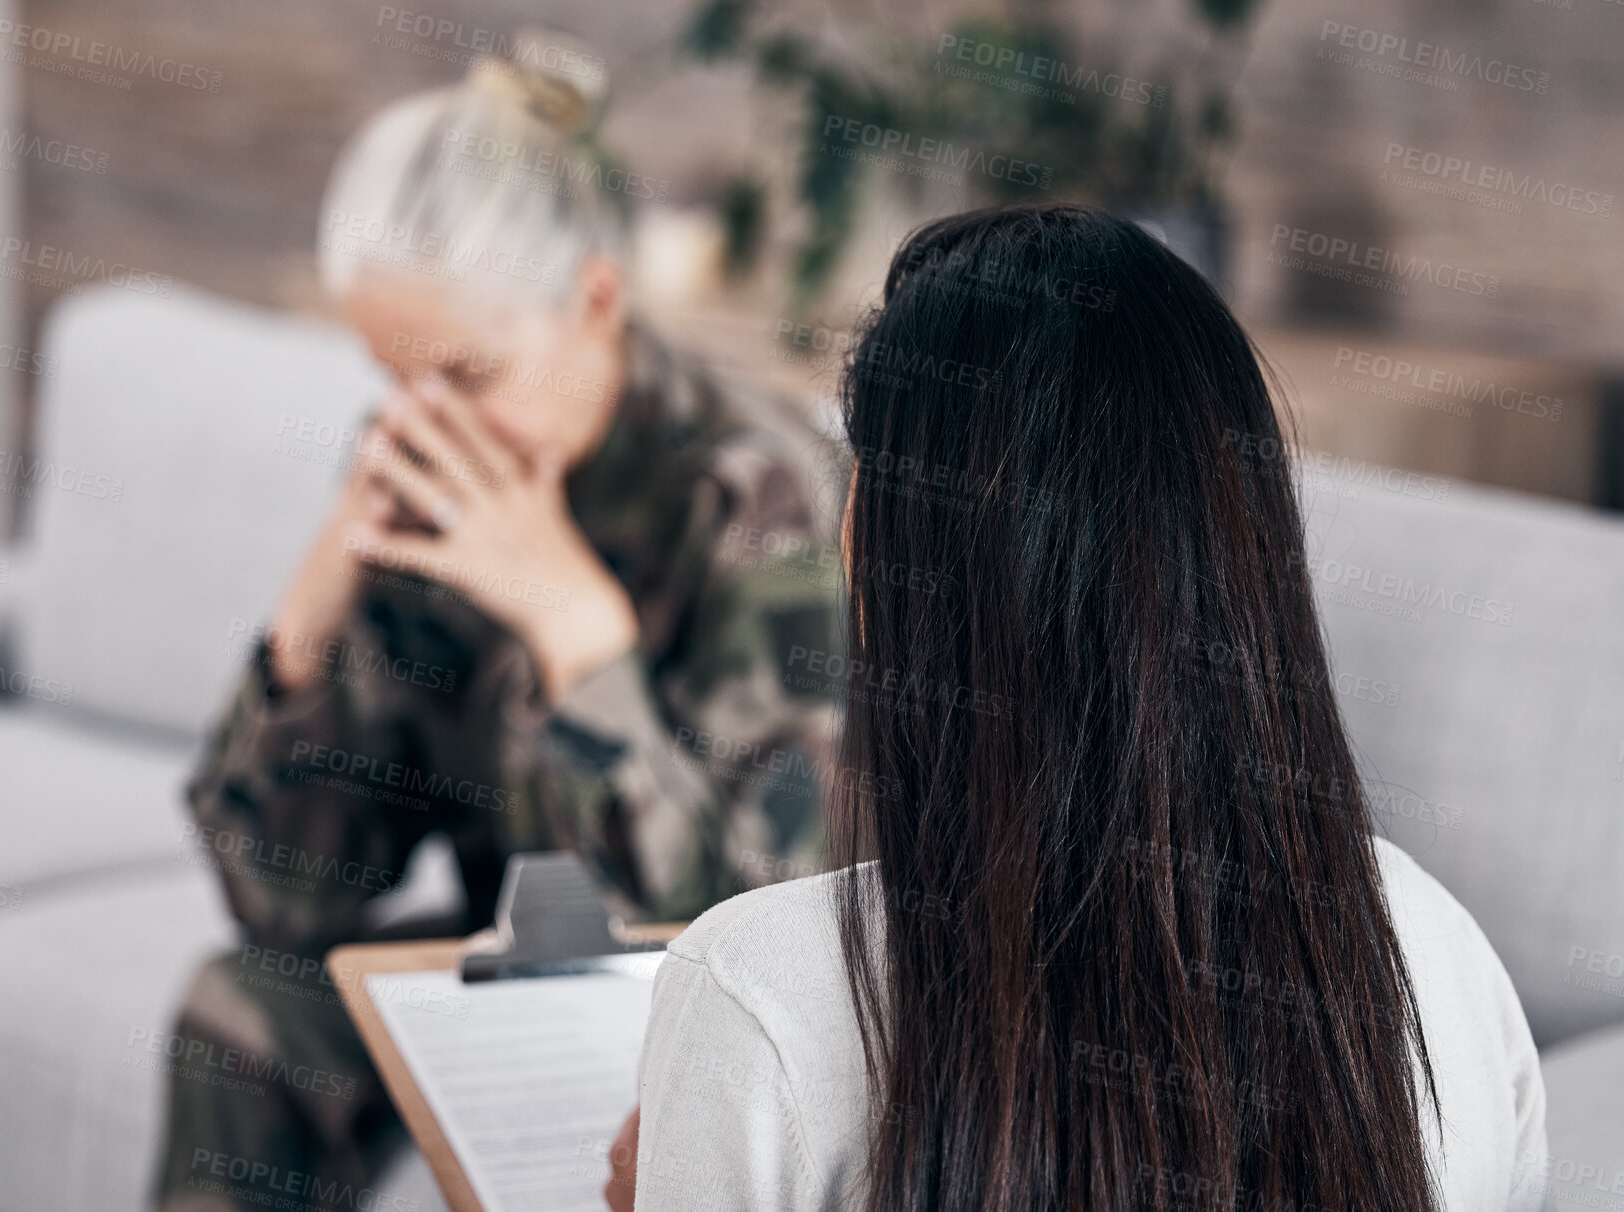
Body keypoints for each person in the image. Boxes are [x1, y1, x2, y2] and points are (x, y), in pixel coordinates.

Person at [613, 205, 1550, 1212]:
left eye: (862, 473)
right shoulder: (1432, 951)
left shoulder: (754, 998)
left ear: (889, 554)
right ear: (1241, 546)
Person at [155, 29, 842, 1212]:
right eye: (392, 377)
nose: (427, 425)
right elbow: (290, 900)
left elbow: (765, 919)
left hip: (702, 996)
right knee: (240, 1011)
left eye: (468, 376)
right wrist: (308, 622)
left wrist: (575, 634)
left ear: (594, 299)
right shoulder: (429, 481)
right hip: (507, 967)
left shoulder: (759, 500)